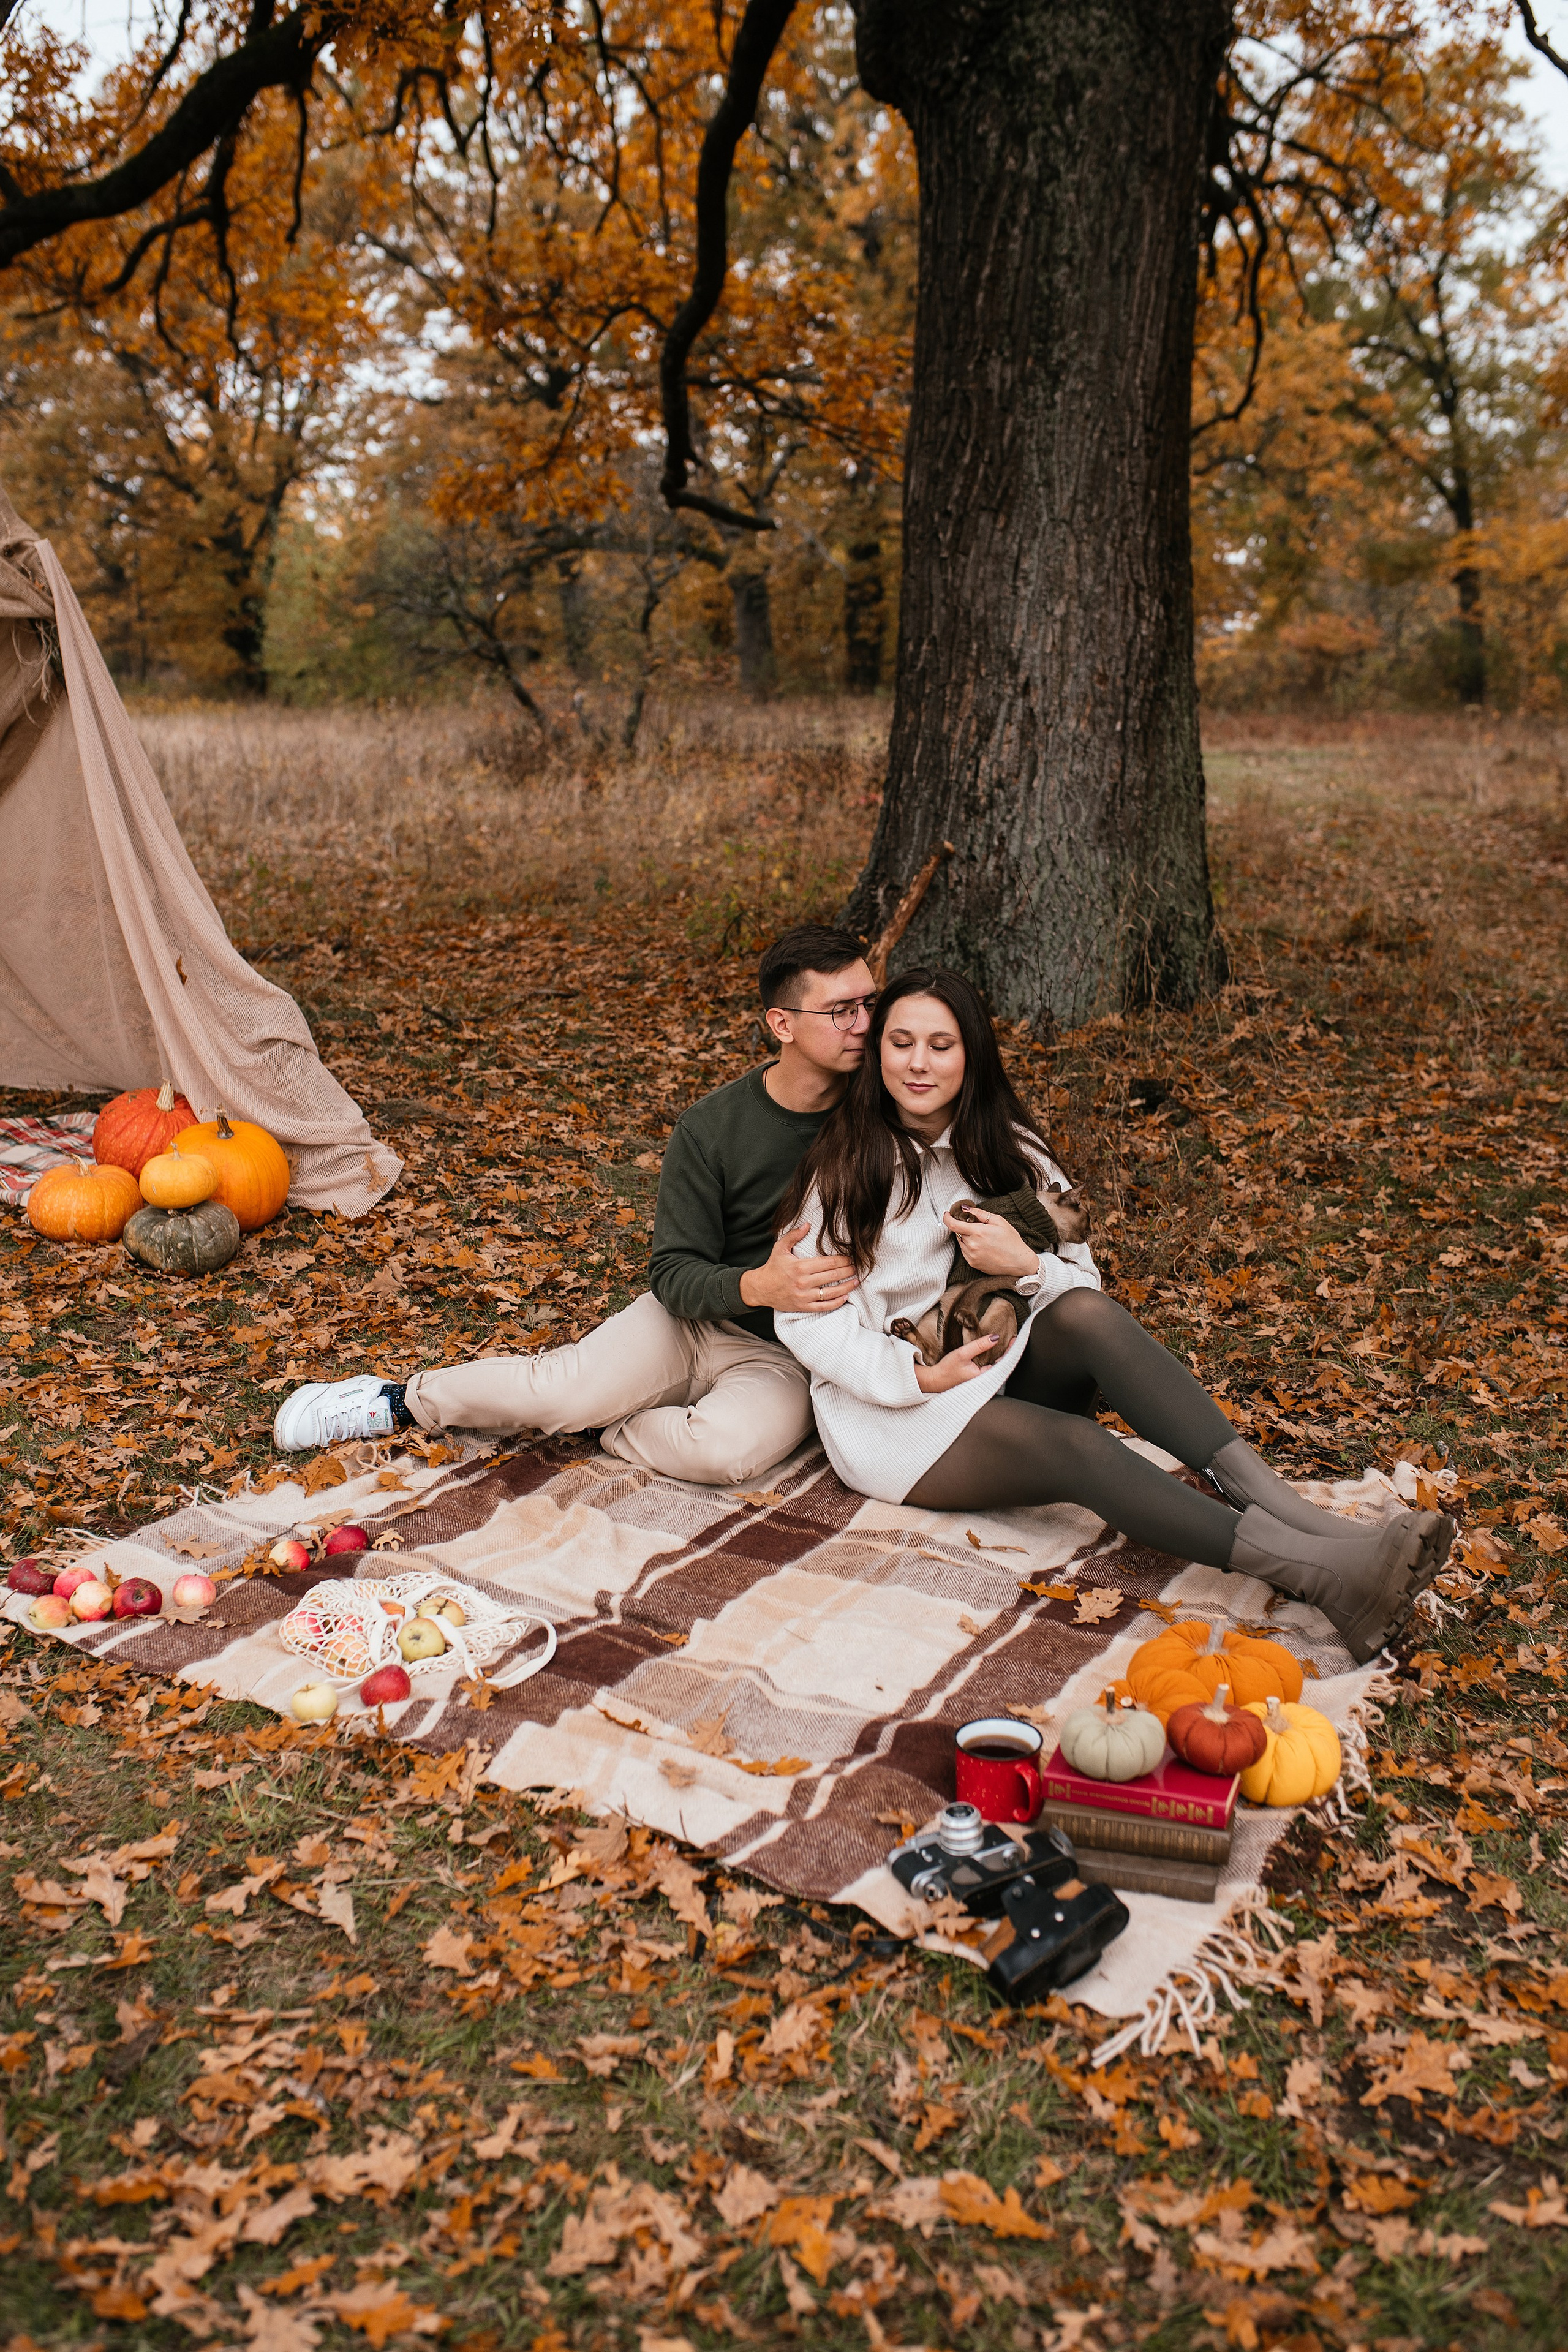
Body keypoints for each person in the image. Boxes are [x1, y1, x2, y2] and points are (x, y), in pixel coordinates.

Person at [773, 967, 1454, 1664]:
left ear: (972, 1055)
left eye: (941, 1046)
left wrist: (1025, 1262)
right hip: (898, 1416)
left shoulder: (1010, 1150)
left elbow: (1082, 1286)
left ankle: (1309, 1522)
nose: (919, 1063)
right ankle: (1324, 1576)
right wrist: (918, 1377)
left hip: (996, 1370)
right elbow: (806, 1321)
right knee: (1083, 1447)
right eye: (901, 1043)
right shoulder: (847, 1171)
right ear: (878, 1053)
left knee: (1085, 1313)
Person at [271, 925, 879, 1487]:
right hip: (689, 1323)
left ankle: (606, 1426)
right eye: (841, 1011)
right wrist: (759, 1285)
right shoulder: (712, 1128)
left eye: (869, 1005)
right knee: (559, 1392)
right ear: (781, 1024)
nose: (863, 1024)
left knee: (723, 1454)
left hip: (786, 1354)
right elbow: (673, 1275)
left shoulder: (885, 1121)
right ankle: (398, 1400)